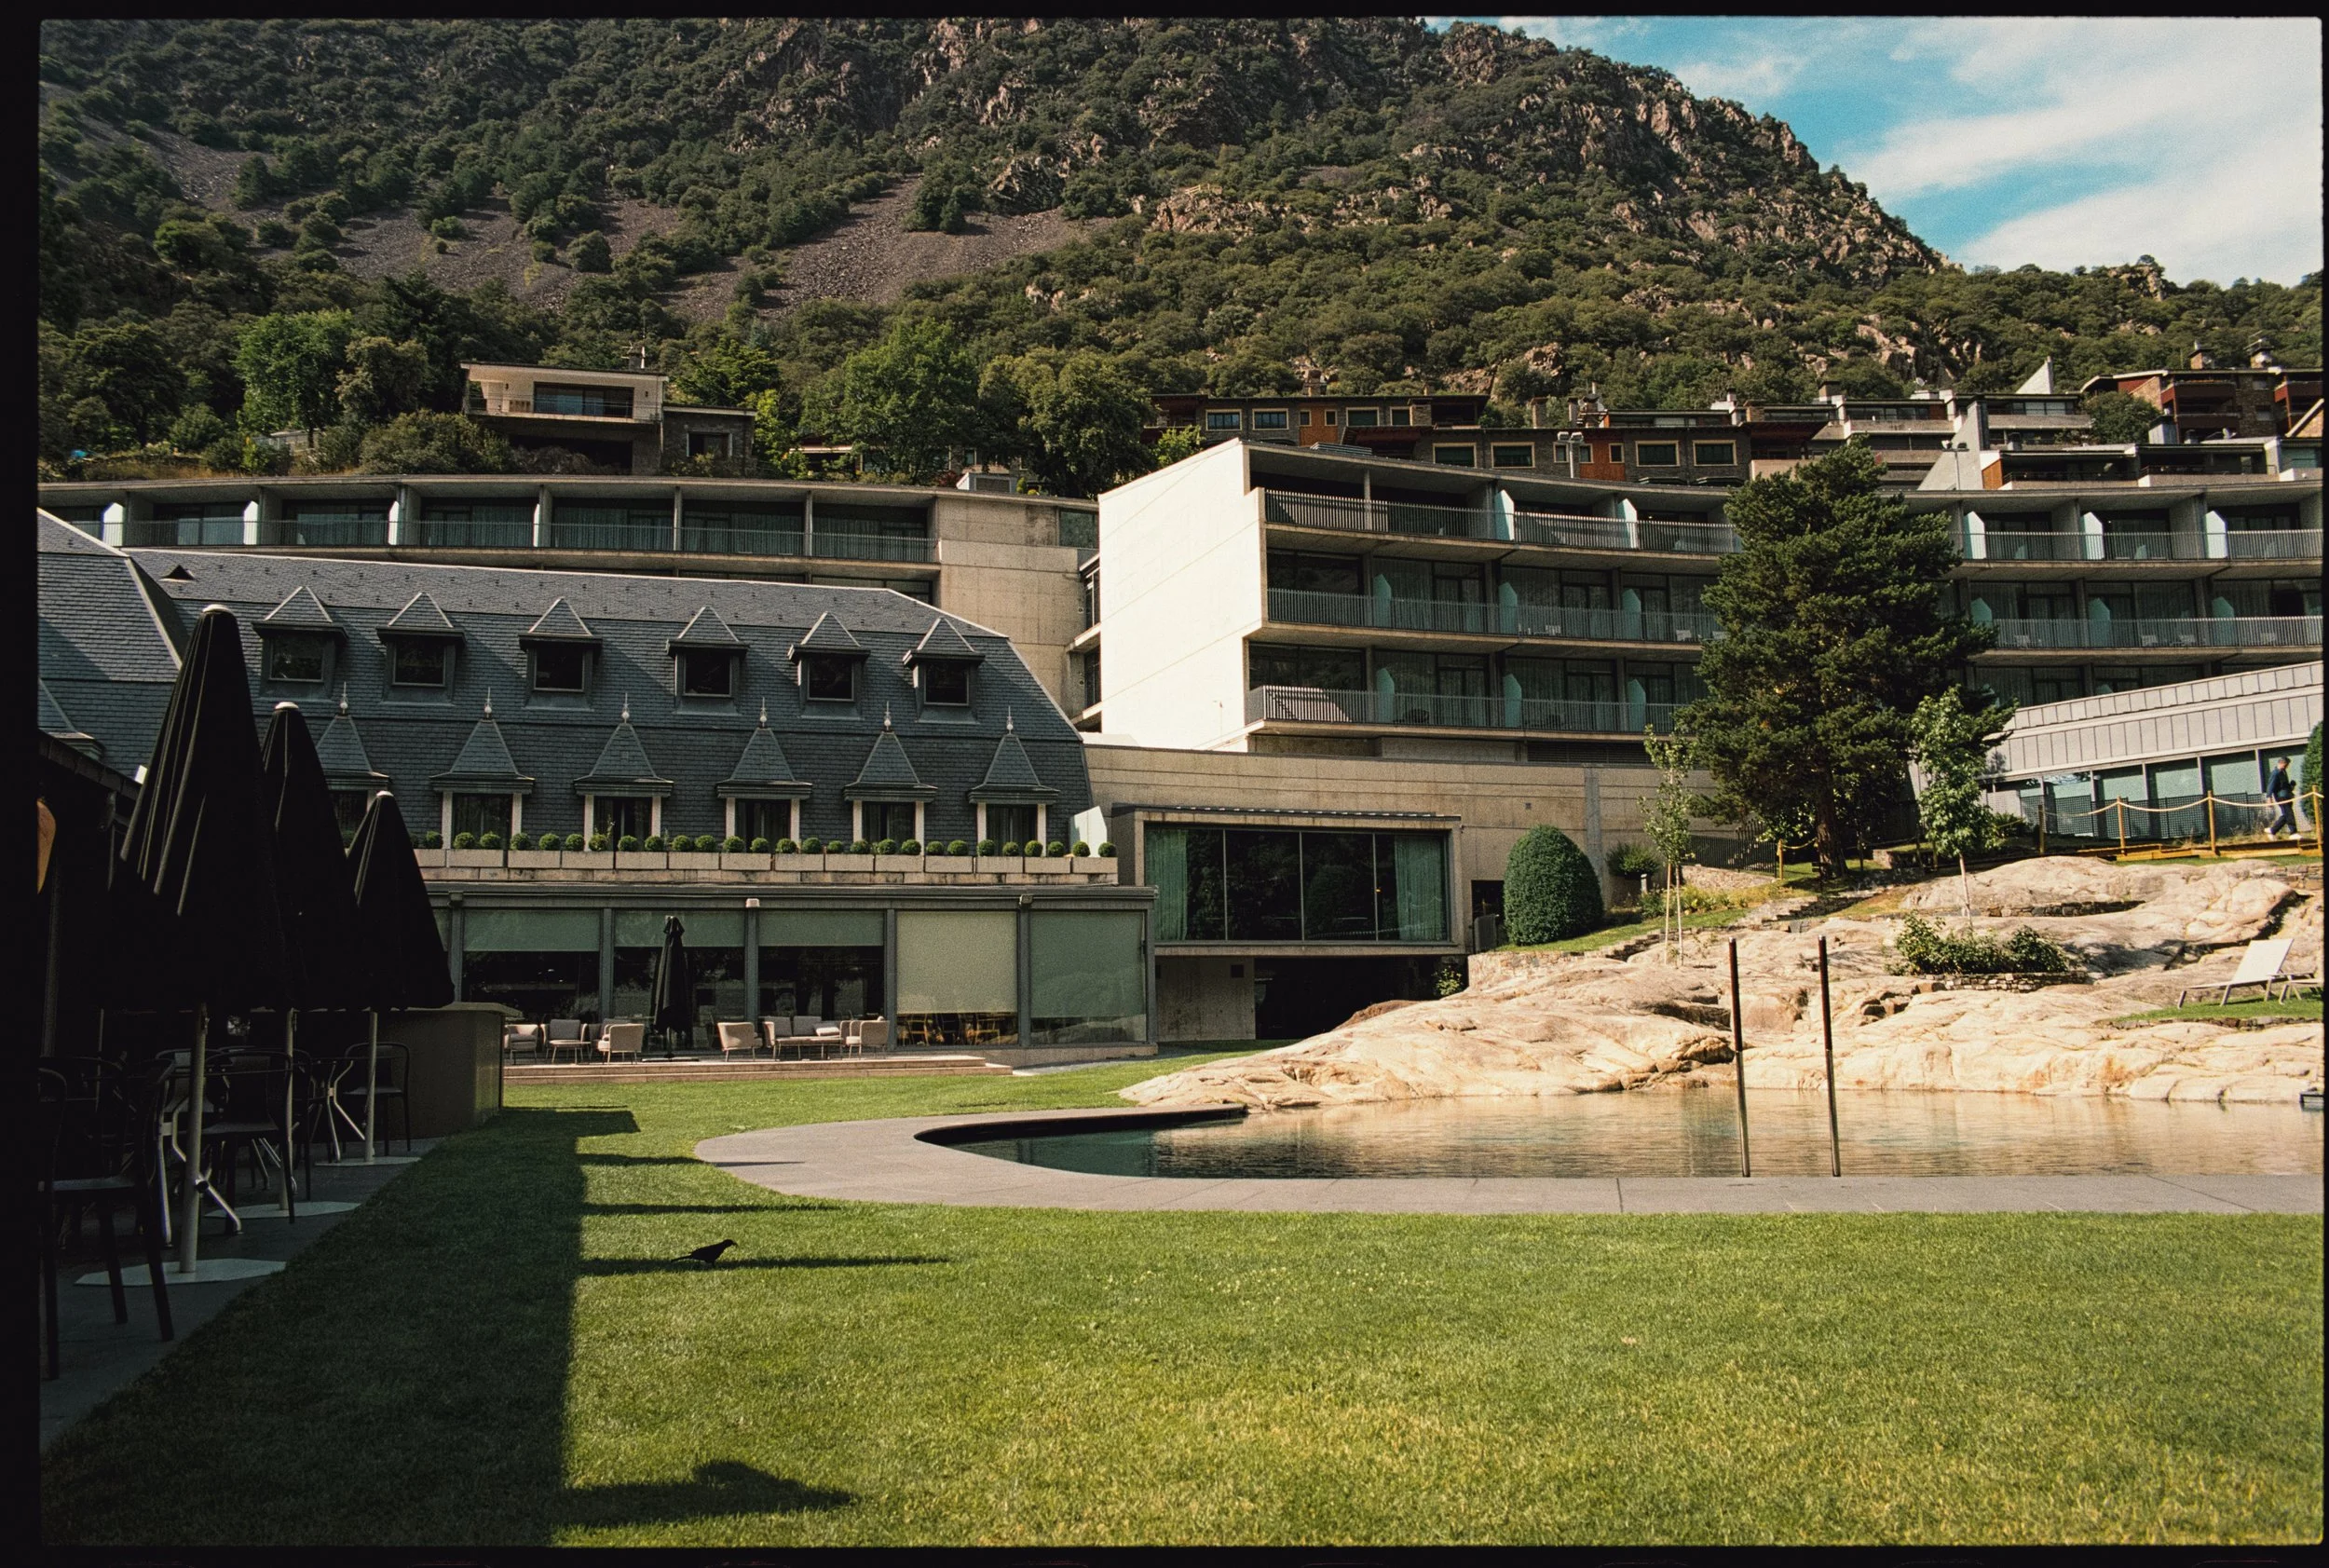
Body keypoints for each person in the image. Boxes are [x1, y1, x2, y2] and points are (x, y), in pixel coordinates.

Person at [2265, 757, 2297, 838]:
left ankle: (2272, 830)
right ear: (2282, 763)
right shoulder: (2275, 773)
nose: (2287, 766)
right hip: (2281, 797)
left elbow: (2284, 786)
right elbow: (2270, 786)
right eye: (2286, 764)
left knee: (2286, 815)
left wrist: (2291, 786)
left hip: (2287, 796)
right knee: (2289, 814)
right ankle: (2293, 833)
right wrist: (2269, 798)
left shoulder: (2283, 772)